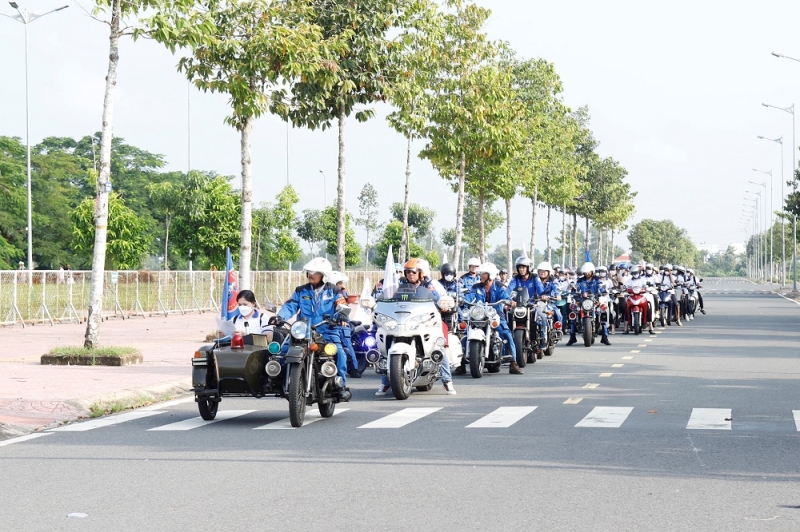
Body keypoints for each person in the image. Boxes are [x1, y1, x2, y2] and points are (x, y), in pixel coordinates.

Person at [376, 258, 456, 396]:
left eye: (413, 272)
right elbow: (389, 298)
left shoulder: (429, 287)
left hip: (424, 322)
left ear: (420, 273)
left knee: (439, 348)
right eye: (408, 272)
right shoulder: (400, 287)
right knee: (386, 349)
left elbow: (438, 300)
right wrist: (380, 300)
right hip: (402, 322)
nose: (410, 275)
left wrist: (444, 305)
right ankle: (386, 381)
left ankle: (447, 381)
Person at [274, 257, 351, 401]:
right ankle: (278, 380)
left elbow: (342, 305)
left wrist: (341, 316)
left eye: (315, 272)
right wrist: (279, 317)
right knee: (281, 351)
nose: (311, 274)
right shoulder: (300, 290)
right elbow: (290, 306)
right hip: (303, 332)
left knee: (340, 352)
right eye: (309, 271)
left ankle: (341, 386)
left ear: (324, 275)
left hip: (327, 331)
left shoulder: (333, 290)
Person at [465, 262, 522, 374]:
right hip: (479, 316)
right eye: (480, 274)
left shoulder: (499, 286)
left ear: (490, 276)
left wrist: (509, 301)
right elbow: (469, 296)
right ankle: (460, 364)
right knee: (465, 334)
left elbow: (504, 296)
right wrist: (462, 300)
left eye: (484, 274)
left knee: (506, 334)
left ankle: (513, 363)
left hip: (495, 315)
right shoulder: (476, 287)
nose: (481, 276)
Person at [568, 262, 611, 346]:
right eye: (585, 272)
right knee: (573, 314)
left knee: (603, 313)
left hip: (594, 300)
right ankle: (572, 337)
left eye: (589, 272)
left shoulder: (597, 280)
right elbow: (576, 287)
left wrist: (603, 291)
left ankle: (605, 337)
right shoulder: (580, 280)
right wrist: (574, 290)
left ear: (592, 271)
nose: (587, 273)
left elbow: (601, 286)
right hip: (582, 301)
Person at [330, 271, 362, 378]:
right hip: (329, 325)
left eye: (340, 283)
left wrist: (341, 316)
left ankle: (354, 369)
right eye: (339, 283)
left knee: (346, 346)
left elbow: (343, 307)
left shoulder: (339, 294)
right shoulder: (325, 293)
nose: (341, 285)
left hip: (341, 325)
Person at [534, 261, 562, 354]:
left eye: (544, 271)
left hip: (550, 303)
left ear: (549, 272)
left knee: (558, 313)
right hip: (537, 303)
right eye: (540, 271)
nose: (542, 273)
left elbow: (556, 289)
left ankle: (557, 330)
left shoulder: (553, 281)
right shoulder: (535, 280)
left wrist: (556, 295)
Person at [623, 267, 655, 334]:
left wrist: (648, 288)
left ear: (639, 273)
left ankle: (651, 327)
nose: (635, 274)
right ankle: (626, 328)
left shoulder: (643, 280)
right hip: (631, 296)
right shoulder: (629, 281)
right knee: (626, 308)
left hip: (642, 296)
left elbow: (646, 286)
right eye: (634, 273)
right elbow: (626, 287)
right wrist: (624, 289)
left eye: (636, 273)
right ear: (632, 274)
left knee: (648, 306)